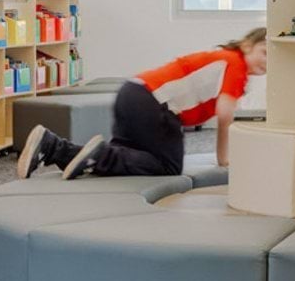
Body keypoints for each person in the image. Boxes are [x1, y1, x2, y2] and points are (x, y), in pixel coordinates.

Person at [17, 29, 268, 180]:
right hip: (155, 106)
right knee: (167, 166)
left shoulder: (225, 60)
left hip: (133, 93)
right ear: (247, 45)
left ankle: (53, 147)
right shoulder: (235, 64)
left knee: (132, 158)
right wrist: (224, 159)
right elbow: (225, 115)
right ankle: (100, 155)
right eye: (265, 52)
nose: (267, 61)